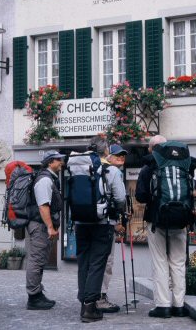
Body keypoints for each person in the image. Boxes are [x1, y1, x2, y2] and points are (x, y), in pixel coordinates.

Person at [72, 138, 126, 323]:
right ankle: (90, 307)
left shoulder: (77, 168)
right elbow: (120, 198)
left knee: (83, 263)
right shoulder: (111, 170)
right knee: (97, 263)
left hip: (80, 222)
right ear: (106, 152)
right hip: (102, 223)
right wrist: (118, 212)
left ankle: (83, 304)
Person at [135, 135, 189, 319]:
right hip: (181, 219)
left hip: (157, 220)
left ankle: (163, 305)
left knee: (160, 263)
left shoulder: (149, 166)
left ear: (151, 149)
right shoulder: (184, 163)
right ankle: (179, 305)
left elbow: (141, 196)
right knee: (178, 263)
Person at [26, 150, 65, 310]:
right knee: (36, 260)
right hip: (40, 226)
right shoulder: (44, 180)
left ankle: (37, 293)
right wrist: (50, 227)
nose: (61, 162)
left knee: (40, 260)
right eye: (58, 160)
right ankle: (33, 297)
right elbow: (43, 206)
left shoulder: (49, 178)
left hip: (42, 225)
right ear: (50, 162)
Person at [97, 143, 128, 313]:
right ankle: (100, 296)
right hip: (106, 223)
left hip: (92, 221)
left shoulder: (95, 170)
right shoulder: (113, 173)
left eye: (123, 156)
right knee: (107, 261)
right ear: (108, 156)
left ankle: (91, 296)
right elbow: (120, 200)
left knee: (94, 260)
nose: (121, 158)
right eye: (117, 155)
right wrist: (117, 221)